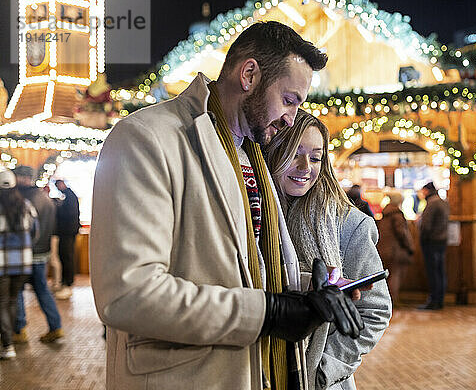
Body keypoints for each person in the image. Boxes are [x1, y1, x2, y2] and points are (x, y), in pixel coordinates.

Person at [90, 21, 364, 390]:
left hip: (258, 372)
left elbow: (237, 269)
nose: (291, 118)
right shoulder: (147, 137)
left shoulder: (250, 153)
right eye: (288, 100)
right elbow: (128, 294)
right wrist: (269, 313)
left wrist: (308, 292)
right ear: (249, 74)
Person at [264, 109, 391, 390]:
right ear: (272, 152)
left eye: (315, 157)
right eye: (293, 152)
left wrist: (324, 370)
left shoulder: (348, 223)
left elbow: (376, 310)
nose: (304, 166)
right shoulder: (253, 214)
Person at [12, 166, 63, 343]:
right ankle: (56, 326)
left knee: (17, 289)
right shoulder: (46, 198)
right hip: (42, 253)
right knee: (42, 290)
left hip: (24, 253)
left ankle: (19, 330)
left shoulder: (20, 199)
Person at [0, 169, 38, 359]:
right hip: (22, 263)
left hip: (1, 265)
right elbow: (34, 233)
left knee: (2, 303)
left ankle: (7, 346)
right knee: (13, 300)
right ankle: (11, 340)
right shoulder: (26, 205)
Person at [377, 193, 414, 305]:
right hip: (394, 251)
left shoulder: (385, 213)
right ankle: (392, 302)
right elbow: (401, 233)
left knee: (385, 277)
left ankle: (384, 301)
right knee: (395, 276)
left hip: (382, 249)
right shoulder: (397, 214)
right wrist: (409, 246)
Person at [417, 182, 449, 310]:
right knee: (440, 271)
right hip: (442, 240)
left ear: (427, 191)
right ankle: (440, 299)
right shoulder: (443, 202)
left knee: (433, 272)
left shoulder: (432, 203)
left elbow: (426, 226)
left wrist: (421, 232)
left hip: (431, 241)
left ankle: (434, 301)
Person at [54, 179, 80, 300]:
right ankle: (66, 281)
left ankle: (68, 283)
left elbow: (70, 214)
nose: (58, 188)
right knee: (65, 256)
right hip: (67, 232)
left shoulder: (69, 196)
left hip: (68, 233)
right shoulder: (68, 196)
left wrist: (58, 208)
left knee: (67, 256)